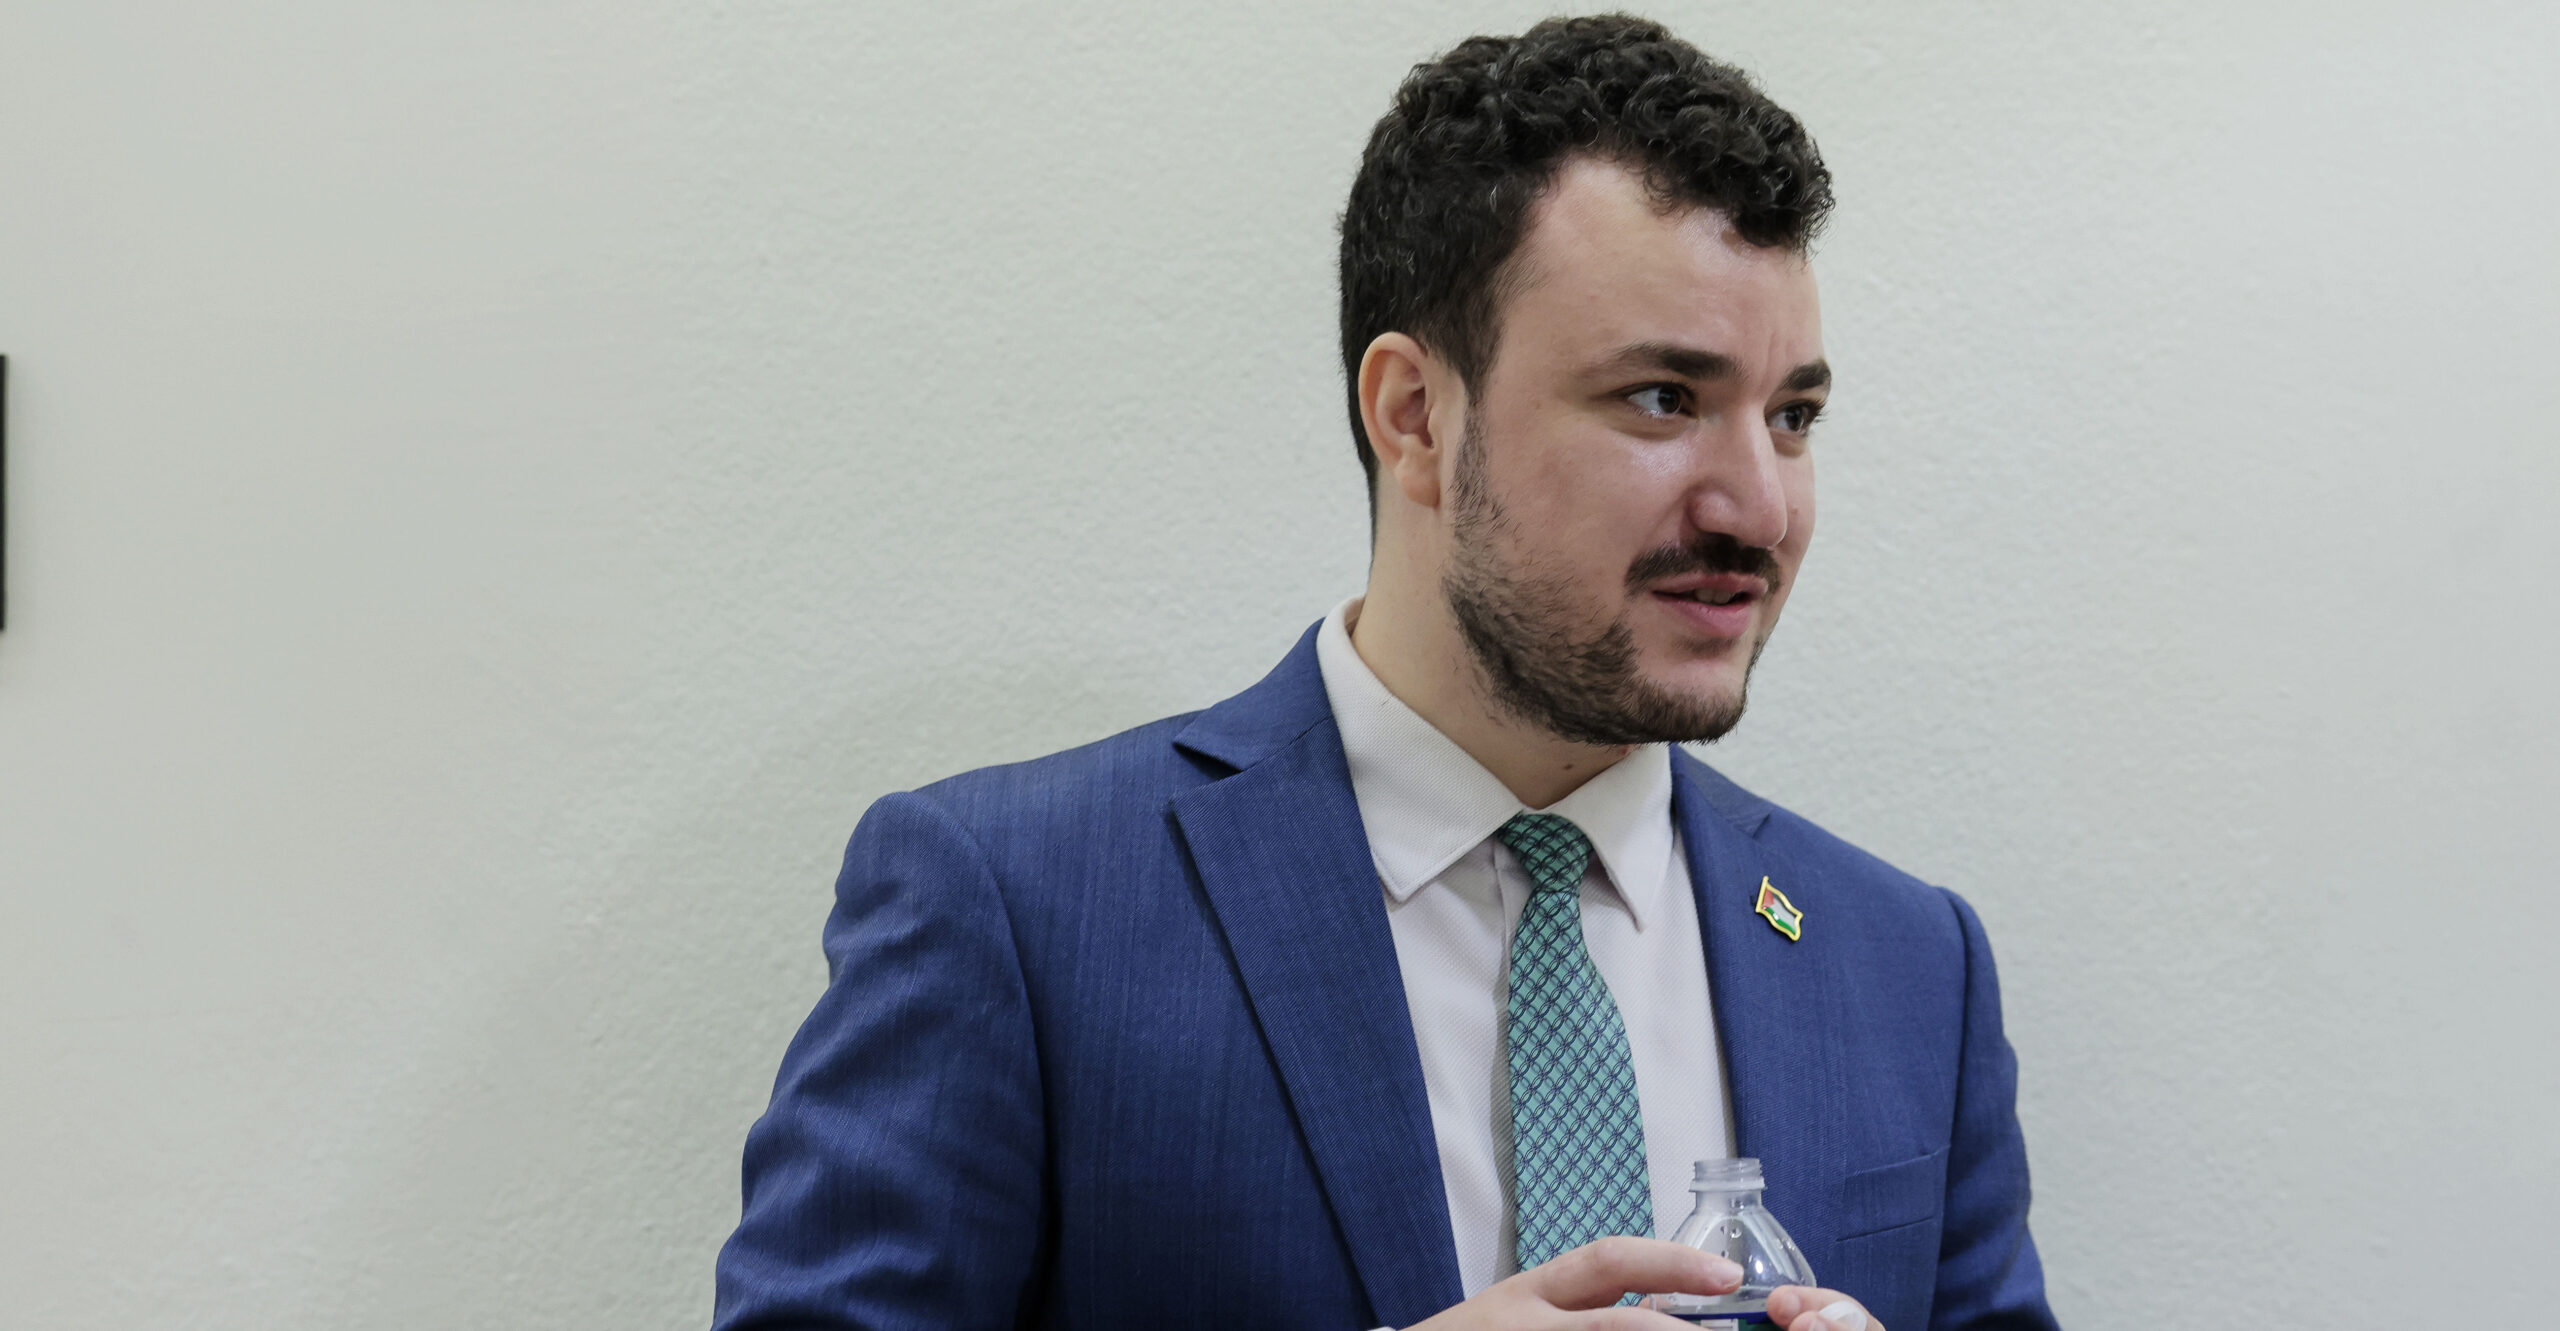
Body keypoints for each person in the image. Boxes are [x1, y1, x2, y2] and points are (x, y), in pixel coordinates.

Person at [712, 15, 2058, 1331]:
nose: (1758, 508)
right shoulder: (1019, 905)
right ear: (1414, 414)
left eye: (1794, 417)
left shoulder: (1905, 966)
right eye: (1662, 398)